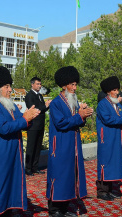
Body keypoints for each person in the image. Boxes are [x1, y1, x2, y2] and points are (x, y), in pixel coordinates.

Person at [0, 66, 40, 216]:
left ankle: (11, 209)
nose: (10, 89)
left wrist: (29, 117)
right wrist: (25, 119)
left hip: (13, 152)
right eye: (6, 86)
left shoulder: (10, 104)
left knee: (12, 183)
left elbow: (21, 120)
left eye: (9, 86)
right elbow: (4, 128)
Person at [46, 66, 93, 217]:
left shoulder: (73, 101)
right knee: (59, 174)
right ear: (64, 85)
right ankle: (54, 210)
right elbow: (61, 123)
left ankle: (64, 208)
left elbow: (76, 121)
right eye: (72, 84)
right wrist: (80, 116)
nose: (74, 87)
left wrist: (84, 116)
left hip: (73, 144)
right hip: (59, 144)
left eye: (75, 84)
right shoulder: (55, 103)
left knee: (70, 175)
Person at [96, 76, 122, 201]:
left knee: (114, 161)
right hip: (106, 137)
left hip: (116, 136)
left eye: (117, 89)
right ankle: (102, 191)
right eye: (114, 90)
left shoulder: (116, 104)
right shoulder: (102, 104)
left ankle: (111, 189)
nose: (117, 92)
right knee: (105, 161)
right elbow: (108, 119)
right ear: (108, 91)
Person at [25, 77, 52, 176]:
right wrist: (45, 106)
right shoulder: (29, 96)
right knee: (31, 147)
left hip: (40, 125)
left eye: (40, 84)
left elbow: (42, 109)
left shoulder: (40, 95)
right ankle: (28, 168)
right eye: (37, 84)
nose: (39, 86)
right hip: (33, 125)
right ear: (32, 84)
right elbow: (34, 109)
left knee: (37, 148)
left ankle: (35, 167)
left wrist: (47, 106)